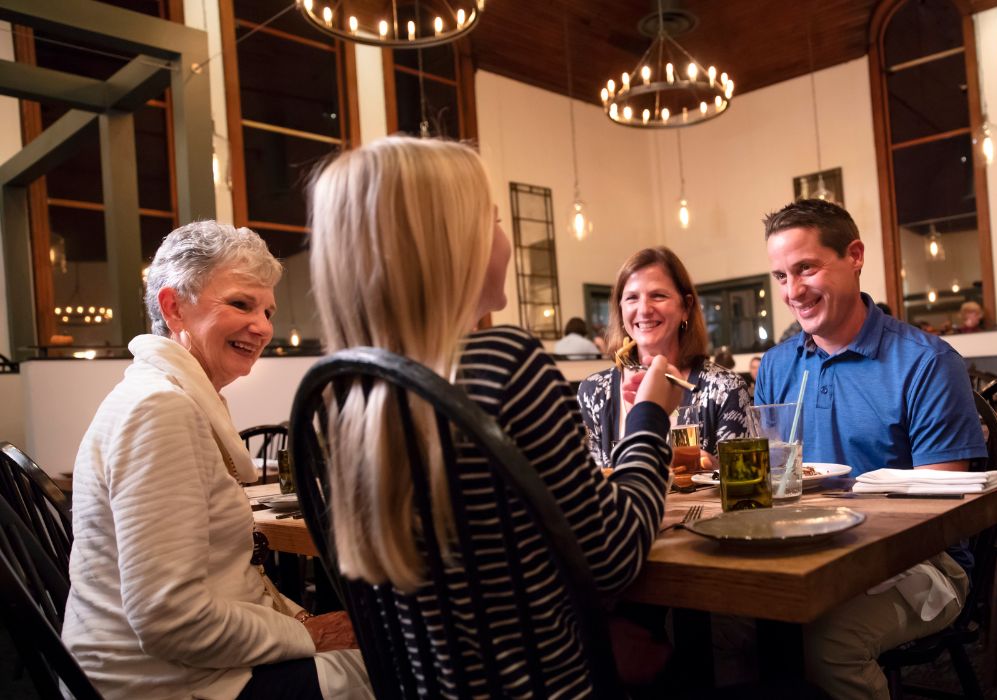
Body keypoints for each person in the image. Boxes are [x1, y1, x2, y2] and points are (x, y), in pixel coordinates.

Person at [307, 136, 682, 694]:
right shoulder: (504, 363)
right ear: (450, 244)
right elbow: (614, 559)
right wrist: (650, 415)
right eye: (494, 219)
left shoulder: (344, 393)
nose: (504, 237)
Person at [62, 221, 370, 699]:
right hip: (162, 684)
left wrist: (300, 620)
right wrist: (311, 634)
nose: (264, 326)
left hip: (165, 668)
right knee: (413, 664)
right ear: (173, 307)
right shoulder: (160, 410)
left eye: (268, 310)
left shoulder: (164, 395)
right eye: (241, 304)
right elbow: (169, 619)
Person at [756, 199, 986, 700]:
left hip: (924, 565)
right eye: (779, 276)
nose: (792, 292)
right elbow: (771, 485)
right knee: (719, 625)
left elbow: (938, 515)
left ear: (854, 256)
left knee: (829, 642)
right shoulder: (776, 366)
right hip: (805, 558)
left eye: (806, 268)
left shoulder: (925, 363)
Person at [577, 247, 751, 468]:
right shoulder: (593, 392)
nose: (644, 309)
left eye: (658, 295)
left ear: (686, 307)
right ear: (620, 309)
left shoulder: (726, 389)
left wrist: (714, 468)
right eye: (631, 298)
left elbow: (743, 481)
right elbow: (590, 485)